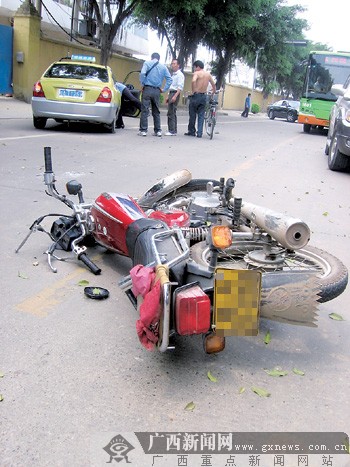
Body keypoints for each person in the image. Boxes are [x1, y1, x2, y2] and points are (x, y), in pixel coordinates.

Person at [138, 52, 172, 137]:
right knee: (156, 111)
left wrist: (142, 83)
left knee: (145, 110)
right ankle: (158, 131)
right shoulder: (163, 67)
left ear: (151, 57)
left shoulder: (147, 63)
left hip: (147, 89)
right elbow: (169, 79)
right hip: (157, 90)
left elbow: (142, 73)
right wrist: (164, 89)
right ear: (159, 59)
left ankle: (143, 130)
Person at [185, 60, 216, 138]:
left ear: (197, 67)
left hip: (196, 95)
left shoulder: (197, 73)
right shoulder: (208, 74)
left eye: (195, 67)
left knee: (192, 114)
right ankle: (200, 133)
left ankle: (192, 131)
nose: (194, 69)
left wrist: (193, 91)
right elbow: (213, 84)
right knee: (201, 115)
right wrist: (213, 92)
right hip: (203, 96)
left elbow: (193, 81)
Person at [165, 58, 185, 136]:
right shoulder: (173, 74)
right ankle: (174, 129)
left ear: (178, 65)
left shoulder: (180, 75)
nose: (172, 65)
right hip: (171, 93)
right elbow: (171, 86)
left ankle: (172, 130)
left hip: (175, 93)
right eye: (172, 63)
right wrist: (167, 96)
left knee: (171, 112)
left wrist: (175, 96)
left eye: (174, 63)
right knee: (172, 112)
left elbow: (180, 87)